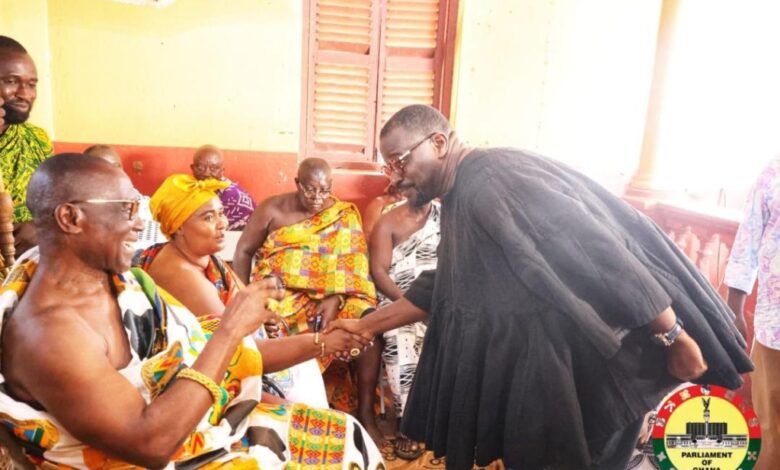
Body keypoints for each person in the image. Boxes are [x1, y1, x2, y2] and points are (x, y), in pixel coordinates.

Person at [327, 104, 753, 469]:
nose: (395, 178)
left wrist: (673, 334)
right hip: (561, 381)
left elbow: (599, 250)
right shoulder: (462, 190)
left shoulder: (493, 181)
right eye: (389, 167)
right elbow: (449, 282)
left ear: (438, 143)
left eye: (400, 161)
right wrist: (366, 325)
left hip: (603, 373)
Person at [0, 153, 383, 468]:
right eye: (126, 209)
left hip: (201, 426)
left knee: (344, 433)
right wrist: (231, 329)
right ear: (70, 218)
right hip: (163, 452)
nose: (139, 224)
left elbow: (209, 355)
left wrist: (321, 342)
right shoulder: (50, 335)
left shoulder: (125, 286)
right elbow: (150, 445)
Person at [135, 173, 346, 406]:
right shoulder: (180, 274)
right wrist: (323, 342)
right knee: (311, 413)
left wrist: (262, 320)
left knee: (306, 371)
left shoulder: (203, 259)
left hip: (239, 362)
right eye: (208, 217)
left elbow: (244, 318)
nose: (223, 223)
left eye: (221, 213)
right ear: (179, 227)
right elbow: (239, 353)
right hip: (214, 383)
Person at [233, 157, 377, 411]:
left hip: (332, 296)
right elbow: (243, 251)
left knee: (366, 320)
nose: (317, 198)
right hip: (279, 294)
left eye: (325, 190)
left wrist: (336, 298)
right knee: (267, 322)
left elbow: (353, 266)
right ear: (297, 182)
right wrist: (242, 296)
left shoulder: (343, 214)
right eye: (310, 190)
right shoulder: (272, 209)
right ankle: (278, 397)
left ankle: (365, 412)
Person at [358, 185, 441, 459]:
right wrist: (410, 303)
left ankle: (449, 417)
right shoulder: (388, 222)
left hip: (438, 298)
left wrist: (433, 302)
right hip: (398, 297)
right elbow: (379, 271)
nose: (421, 191)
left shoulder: (446, 217)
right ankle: (408, 422)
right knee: (400, 335)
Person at [724, 155, 780, 470]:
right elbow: (747, 242)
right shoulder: (774, 172)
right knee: (772, 432)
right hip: (775, 329)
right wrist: (735, 308)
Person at [0, 36, 52, 254]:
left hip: (27, 264)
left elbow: (55, 204)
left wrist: (42, 228)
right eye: (11, 81)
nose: (25, 94)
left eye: (31, 84)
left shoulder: (37, 139)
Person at [83, 144, 164, 250]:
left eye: (116, 166)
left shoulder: (139, 199)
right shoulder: (86, 206)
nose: (113, 172)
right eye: (103, 168)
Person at [191, 144, 256, 230]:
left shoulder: (233, 196)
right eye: (200, 167)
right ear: (192, 168)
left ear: (222, 171)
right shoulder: (188, 187)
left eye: (214, 168)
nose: (206, 173)